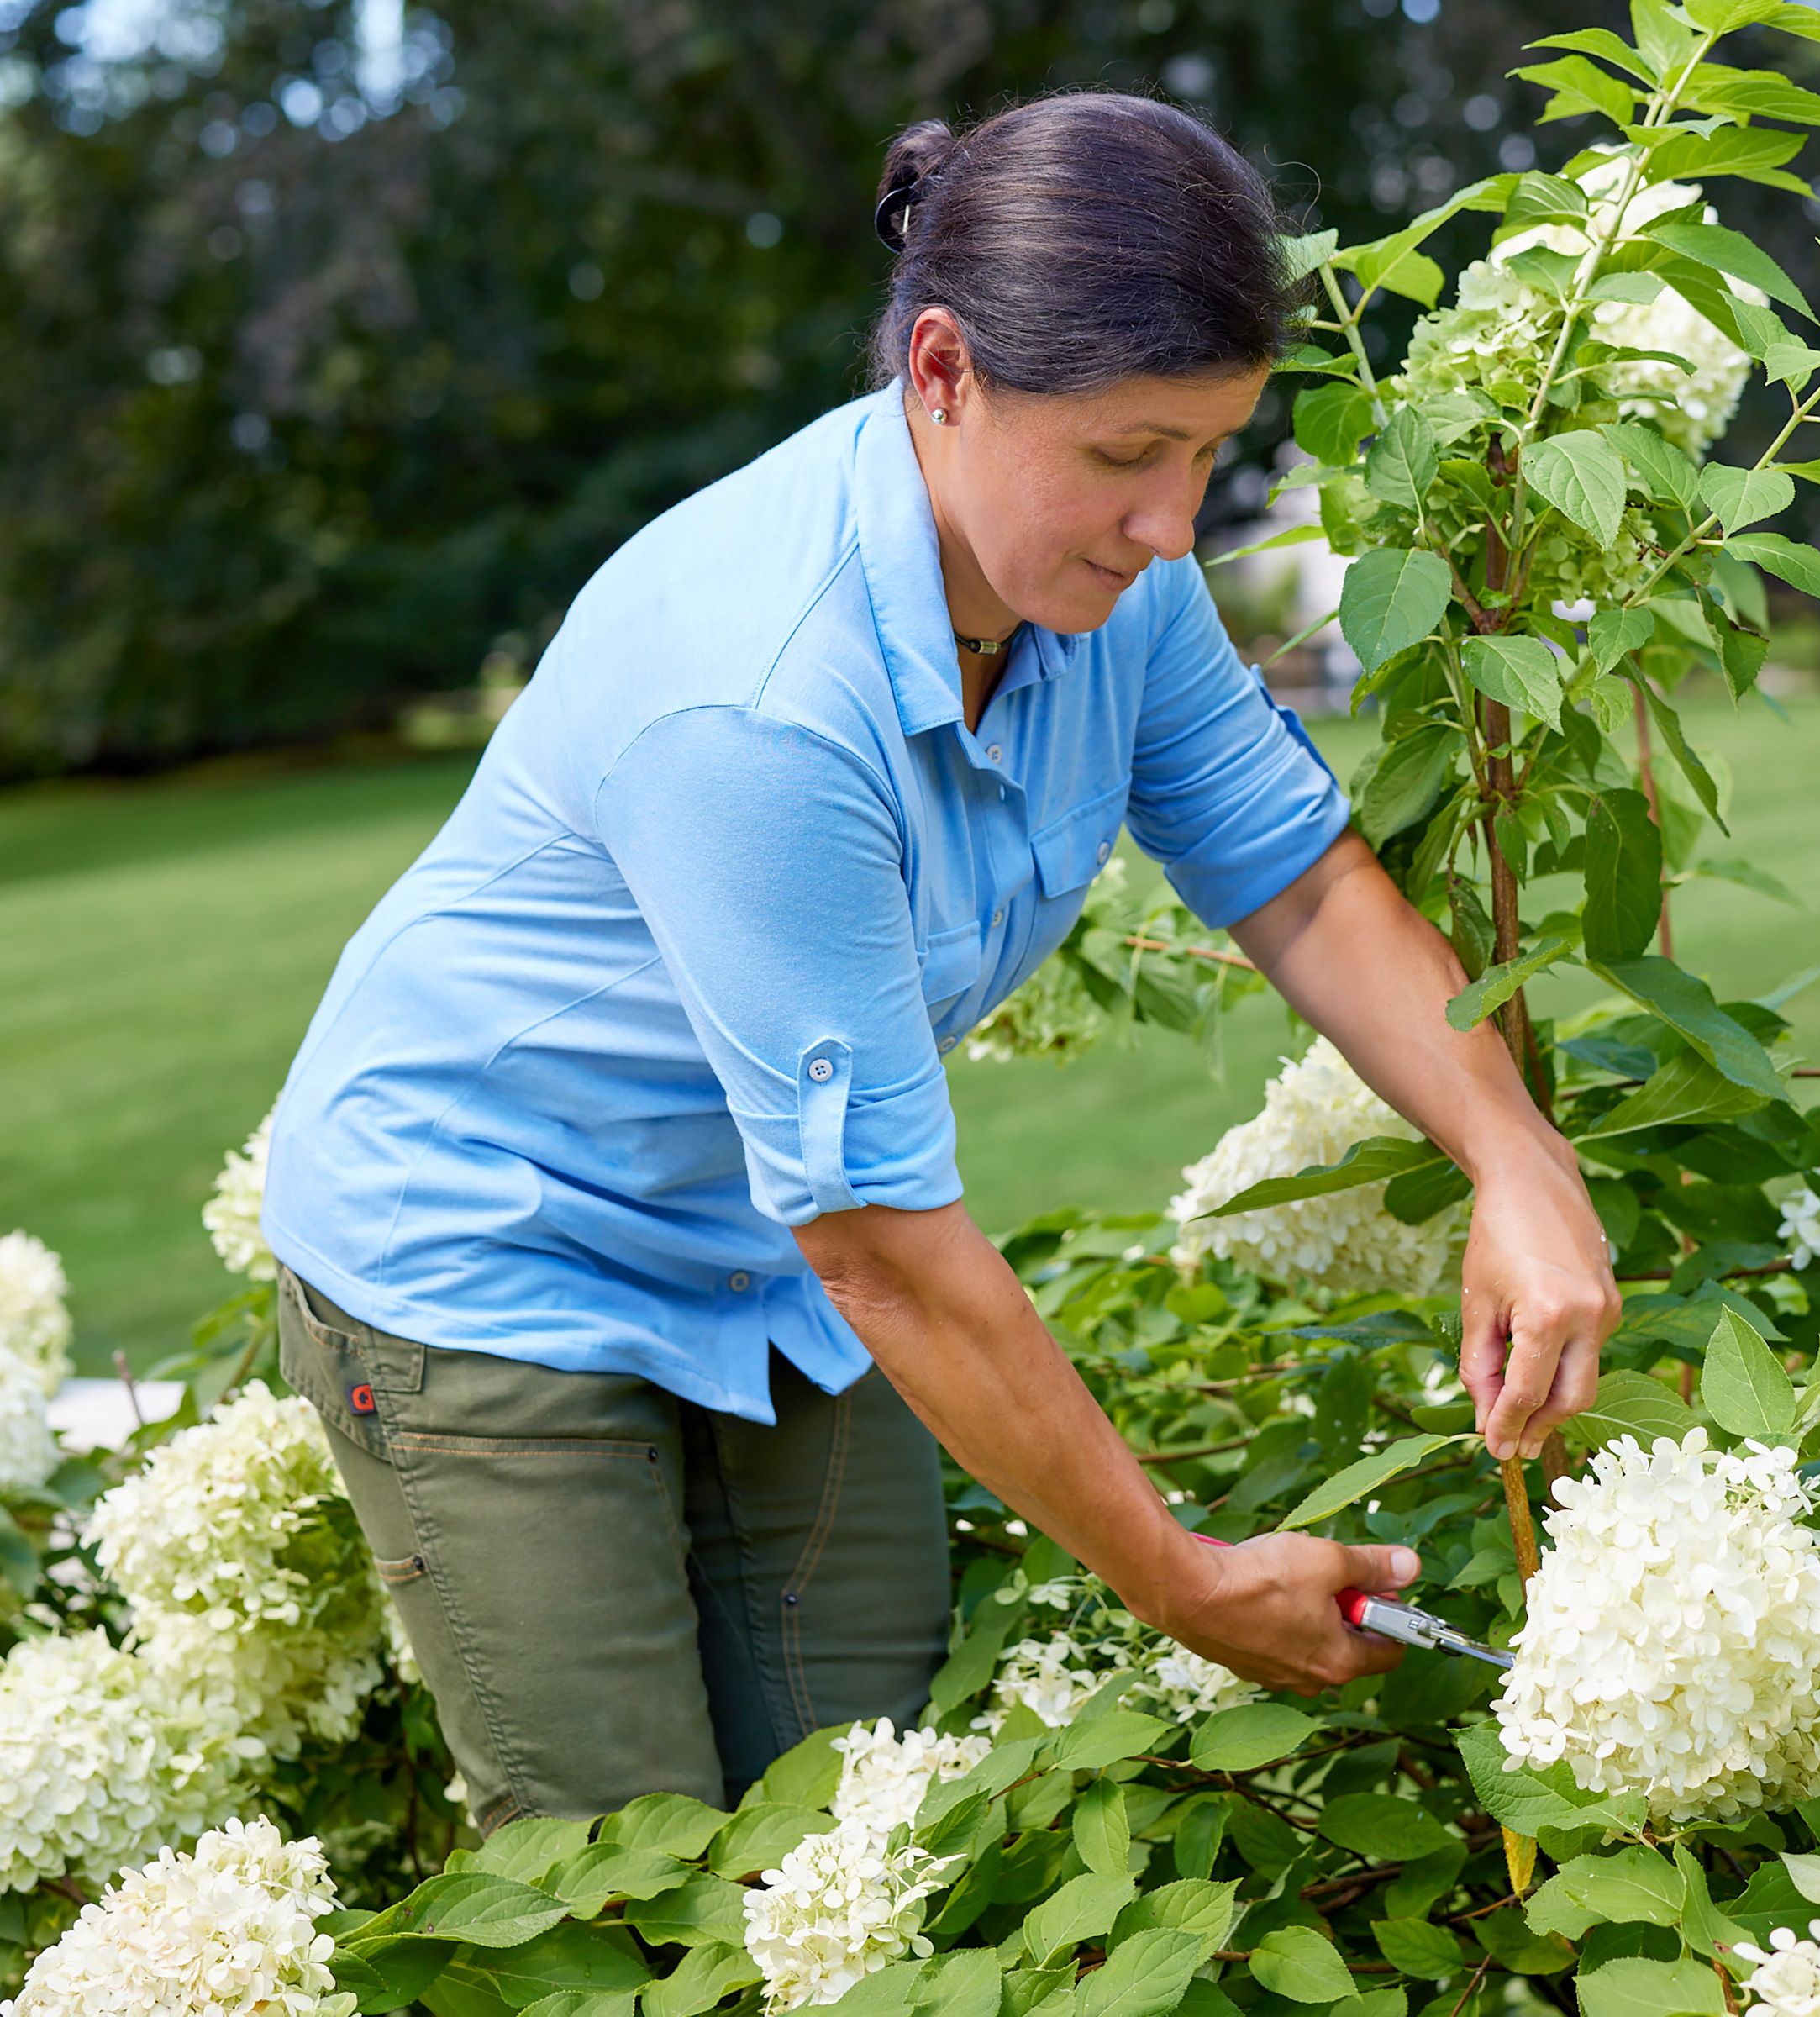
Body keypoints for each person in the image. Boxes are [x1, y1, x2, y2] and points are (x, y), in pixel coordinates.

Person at [262, 87, 1619, 1835]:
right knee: (619, 1879)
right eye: (1128, 455)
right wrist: (1188, 1582)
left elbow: (1298, 879)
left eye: (1208, 452)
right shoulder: (761, 704)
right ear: (945, 373)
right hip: (489, 1252)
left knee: (877, 1820)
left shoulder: (1120, 594)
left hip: (767, 1236)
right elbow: (885, 1256)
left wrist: (1518, 1161)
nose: (1171, 524)